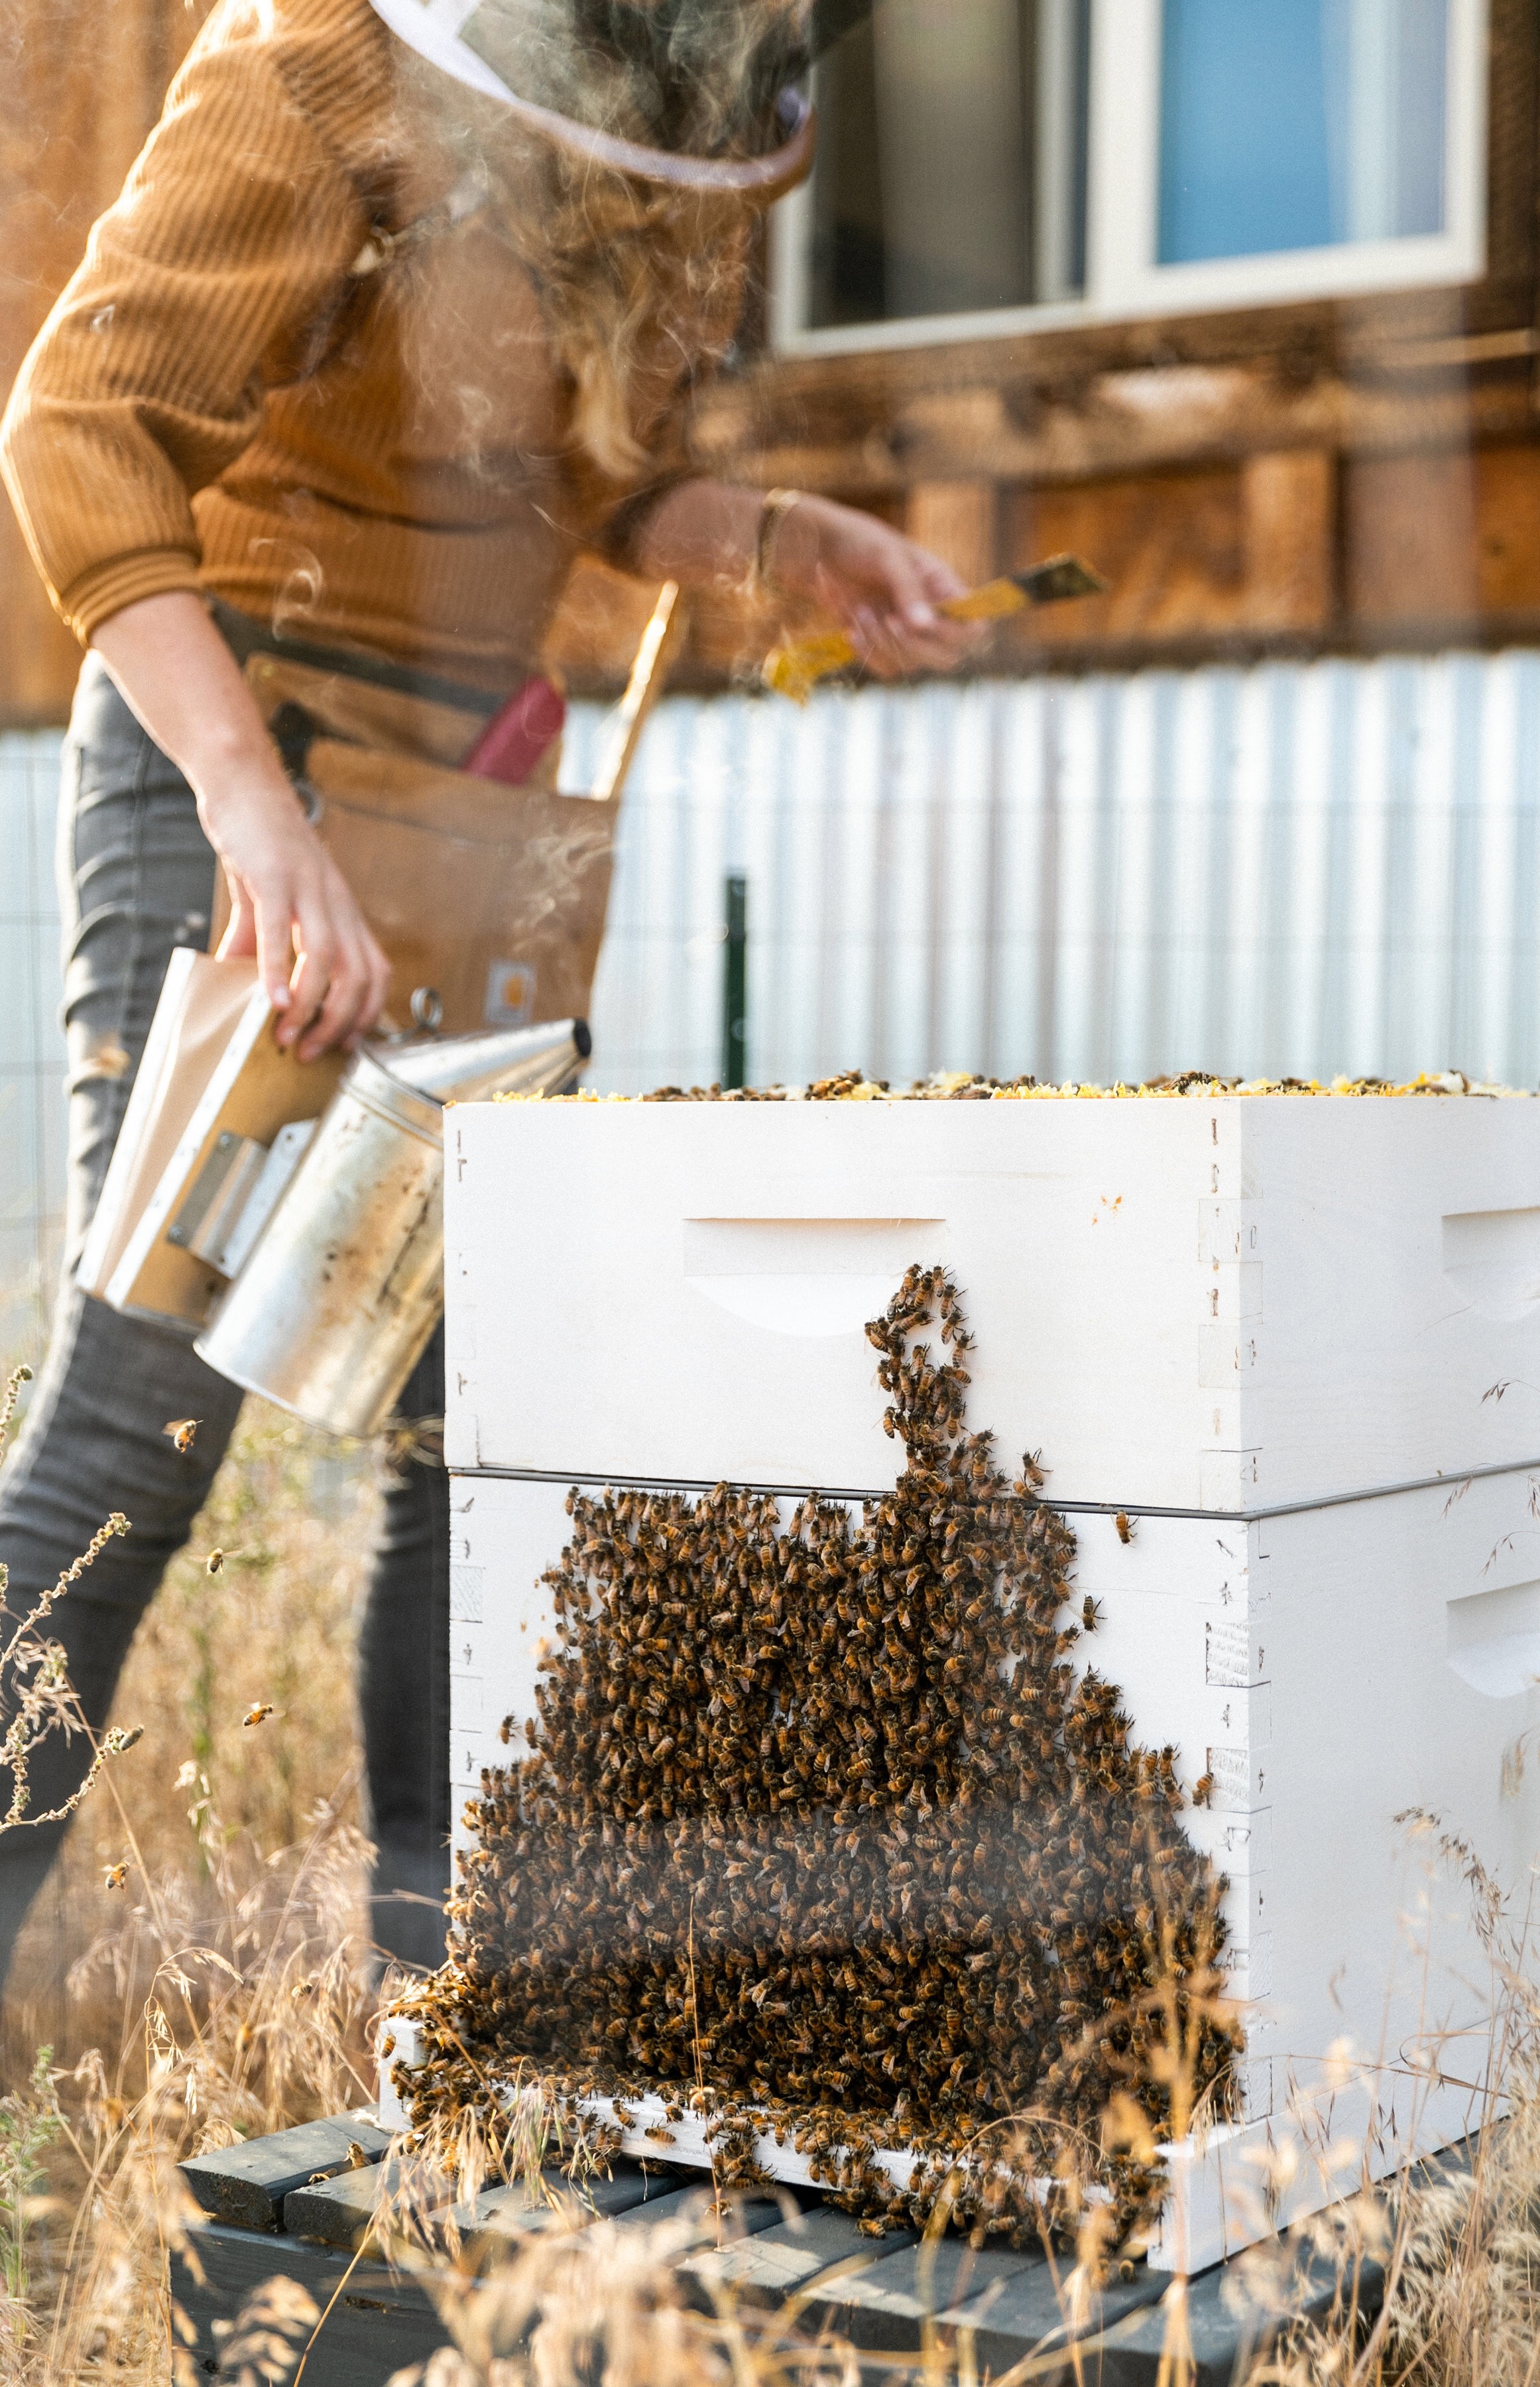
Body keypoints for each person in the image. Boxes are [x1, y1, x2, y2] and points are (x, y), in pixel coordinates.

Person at [0, 0, 977, 1975]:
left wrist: (784, 538)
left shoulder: (678, 113)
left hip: (476, 793)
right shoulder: (311, 73)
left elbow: (583, 484)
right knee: (145, 1420)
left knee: (475, 1424)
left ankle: (436, 2003)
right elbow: (75, 430)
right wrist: (258, 832)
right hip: (239, 747)